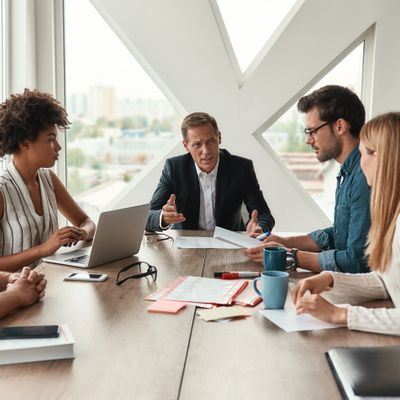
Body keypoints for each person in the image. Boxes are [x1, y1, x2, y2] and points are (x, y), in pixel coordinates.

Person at [292, 112, 400, 335]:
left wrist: (339, 314)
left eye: (364, 154)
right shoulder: (392, 215)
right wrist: (330, 280)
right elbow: (387, 283)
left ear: (383, 158)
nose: (360, 164)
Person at [245, 85, 370, 273]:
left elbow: (357, 262)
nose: (308, 140)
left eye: (312, 131)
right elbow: (341, 234)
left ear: (340, 126)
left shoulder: (364, 176)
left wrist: (289, 256)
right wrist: (283, 242)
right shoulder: (347, 172)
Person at [0, 89, 96, 272]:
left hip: (48, 283)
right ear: (25, 143)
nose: (58, 147)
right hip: (15, 293)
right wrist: (42, 250)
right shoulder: (2, 191)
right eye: (50, 140)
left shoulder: (48, 179)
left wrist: (82, 233)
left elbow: (87, 222)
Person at [146, 112, 275, 234]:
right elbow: (148, 216)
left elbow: (264, 215)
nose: (206, 151)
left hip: (230, 244)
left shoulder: (241, 168)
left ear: (219, 138)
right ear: (186, 146)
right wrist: (163, 217)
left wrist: (259, 228)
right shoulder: (174, 168)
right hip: (186, 245)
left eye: (210, 141)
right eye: (197, 144)